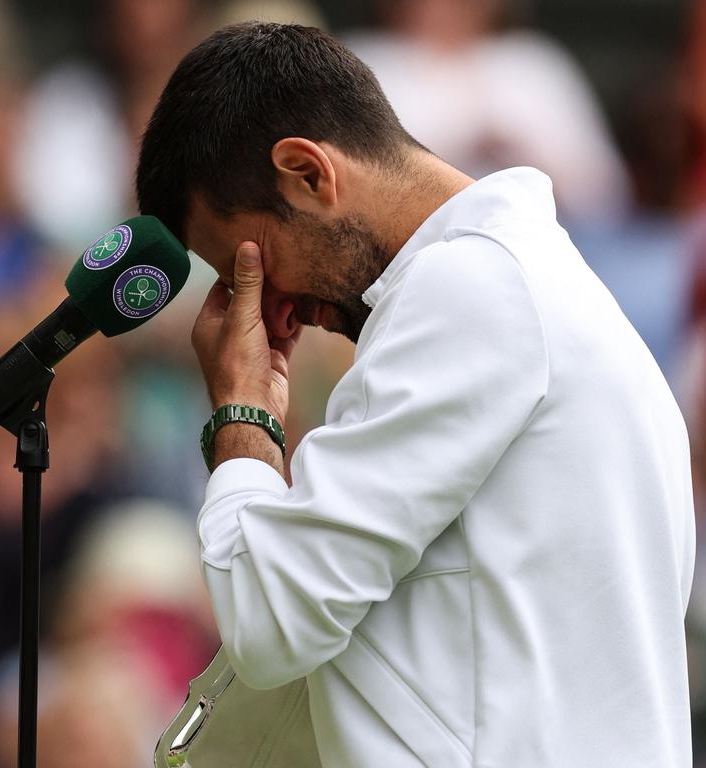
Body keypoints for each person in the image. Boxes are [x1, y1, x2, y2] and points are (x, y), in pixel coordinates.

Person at [136, 22, 695, 768]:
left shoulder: (471, 289)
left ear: (308, 173)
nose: (272, 309)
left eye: (250, 265)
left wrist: (242, 414)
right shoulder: (528, 285)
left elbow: (270, 624)